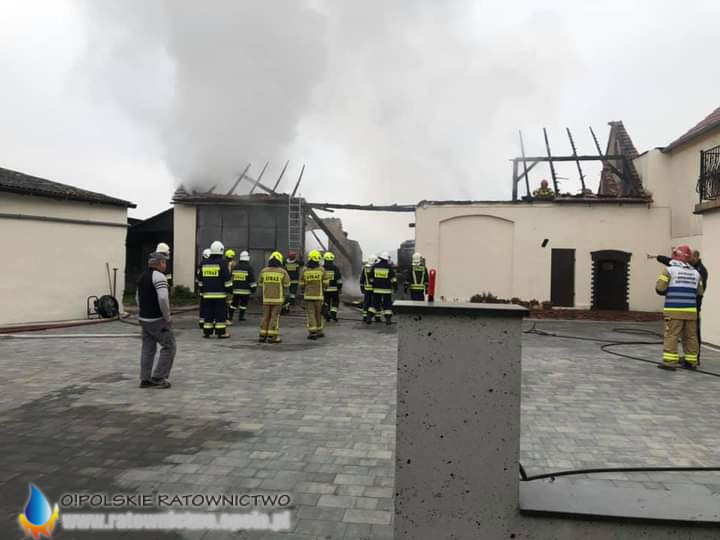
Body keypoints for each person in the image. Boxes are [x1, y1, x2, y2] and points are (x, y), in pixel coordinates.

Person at [649, 249, 709, 362]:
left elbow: (660, 288)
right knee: (691, 336)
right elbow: (700, 292)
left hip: (674, 310)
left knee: (672, 335)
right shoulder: (697, 273)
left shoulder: (670, 270)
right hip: (691, 311)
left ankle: (670, 362)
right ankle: (691, 361)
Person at [135, 251, 175, 389]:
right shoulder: (159, 277)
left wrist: (143, 311)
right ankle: (158, 377)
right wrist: (167, 317)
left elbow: (137, 298)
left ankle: (145, 379)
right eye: (164, 262)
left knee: (148, 348)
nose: (166, 265)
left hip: (144, 319)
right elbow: (163, 298)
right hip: (157, 320)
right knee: (169, 346)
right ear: (160, 263)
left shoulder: (142, 276)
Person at [198, 240, 233, 338]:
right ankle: (221, 332)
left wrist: (202, 291)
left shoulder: (204, 263)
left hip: (206, 295)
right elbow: (226, 278)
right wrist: (230, 290)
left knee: (208, 313)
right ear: (221, 251)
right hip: (219, 295)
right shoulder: (222, 263)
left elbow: (200, 279)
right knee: (220, 314)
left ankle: (207, 332)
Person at [258, 251, 291, 343]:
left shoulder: (264, 271)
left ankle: (262, 335)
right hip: (277, 299)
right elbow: (287, 285)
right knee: (274, 317)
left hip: (266, 298)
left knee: (265, 316)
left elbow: (260, 284)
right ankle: (272, 337)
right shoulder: (282, 272)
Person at [300, 250, 328, 339]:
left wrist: (303, 290)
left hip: (308, 296)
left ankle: (312, 332)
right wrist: (323, 289)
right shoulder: (321, 270)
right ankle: (319, 331)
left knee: (311, 314)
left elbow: (302, 284)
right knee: (318, 314)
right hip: (319, 296)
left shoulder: (304, 270)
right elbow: (326, 283)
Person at [228, 251, 257, 322]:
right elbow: (251, 279)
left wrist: (231, 288)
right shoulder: (249, 268)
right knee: (243, 304)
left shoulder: (235, 267)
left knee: (234, 303)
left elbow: (231, 277)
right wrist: (253, 289)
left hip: (235, 290)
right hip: (245, 291)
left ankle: (230, 316)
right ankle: (241, 317)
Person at [370, 252, 397, 325]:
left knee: (375, 303)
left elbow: (371, 278)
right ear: (386, 259)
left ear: (381, 258)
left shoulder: (375, 266)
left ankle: (369, 317)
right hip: (386, 290)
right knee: (387, 304)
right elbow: (393, 279)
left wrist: (373, 285)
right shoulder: (389, 267)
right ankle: (388, 320)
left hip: (376, 289)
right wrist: (395, 287)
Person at [322, 252, 343, 322]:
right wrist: (339, 288)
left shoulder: (322, 268)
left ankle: (326, 314)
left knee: (326, 302)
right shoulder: (335, 268)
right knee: (335, 302)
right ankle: (333, 314)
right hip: (334, 289)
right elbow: (339, 279)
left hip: (325, 289)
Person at [196, 248, 211, 329]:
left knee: (203, 306)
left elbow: (198, 278)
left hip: (202, 290)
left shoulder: (201, 264)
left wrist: (199, 288)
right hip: (209, 290)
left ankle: (201, 322)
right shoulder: (212, 265)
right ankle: (209, 322)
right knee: (209, 307)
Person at [359, 255, 376, 324]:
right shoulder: (375, 268)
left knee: (366, 302)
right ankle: (376, 316)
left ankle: (365, 316)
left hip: (367, 288)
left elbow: (362, 279)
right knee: (374, 302)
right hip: (374, 289)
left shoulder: (365, 268)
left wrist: (362, 287)